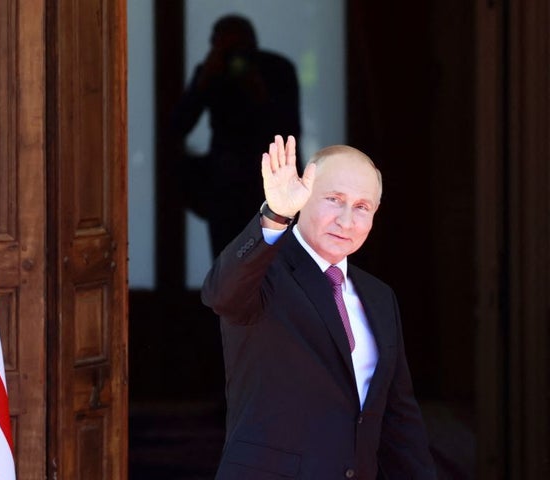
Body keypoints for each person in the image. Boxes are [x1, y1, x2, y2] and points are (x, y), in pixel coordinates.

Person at [201, 135, 437, 479]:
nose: (346, 220)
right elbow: (220, 294)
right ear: (303, 196)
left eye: (362, 207)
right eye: (333, 199)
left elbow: (398, 418)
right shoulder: (265, 272)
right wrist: (276, 215)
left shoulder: (379, 296)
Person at [172, 14, 301, 258]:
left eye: (238, 48)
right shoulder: (211, 72)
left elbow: (289, 130)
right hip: (224, 185)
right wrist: (203, 83)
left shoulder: (277, 70)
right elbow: (177, 125)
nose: (234, 57)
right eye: (224, 47)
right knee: (227, 265)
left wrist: (260, 92)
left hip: (271, 182)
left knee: (275, 264)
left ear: (252, 46)